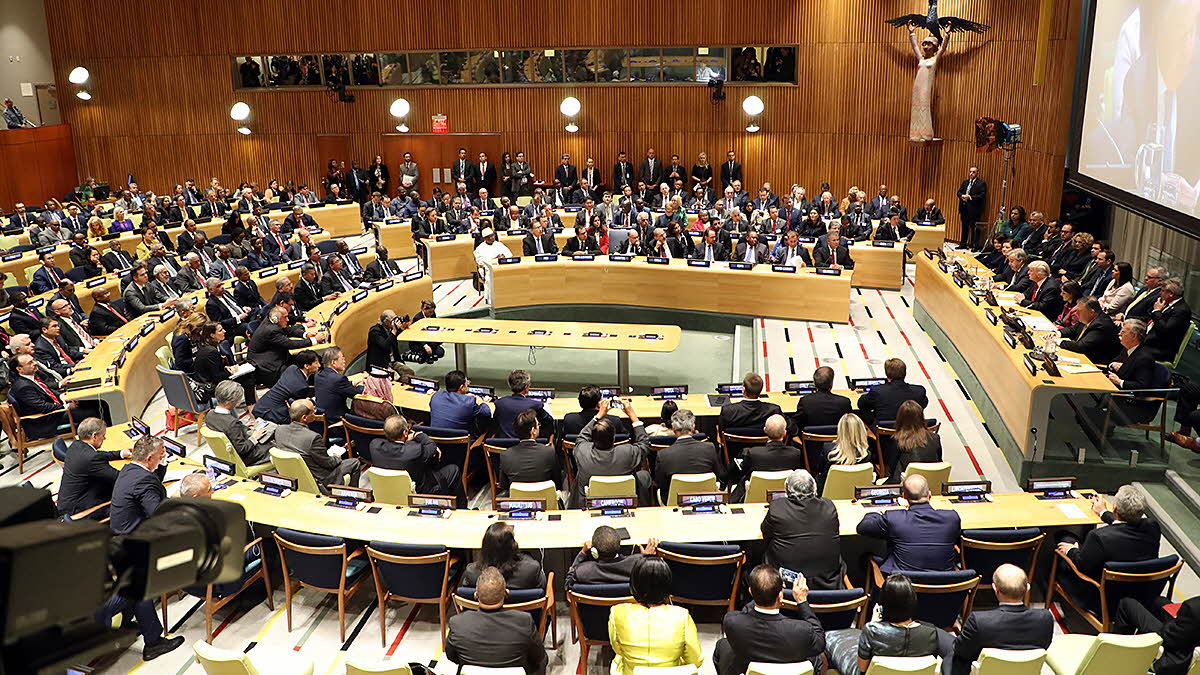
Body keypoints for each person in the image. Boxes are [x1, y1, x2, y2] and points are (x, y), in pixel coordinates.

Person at [97, 435, 186, 661]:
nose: (163, 456)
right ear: (148, 458)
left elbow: (150, 488)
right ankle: (154, 642)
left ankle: (134, 625)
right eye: (160, 455)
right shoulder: (143, 481)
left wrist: (162, 467)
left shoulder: (129, 470)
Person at [1054, 487, 1160, 612]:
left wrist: (1072, 550)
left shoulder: (1099, 537)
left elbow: (1081, 565)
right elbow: (1126, 525)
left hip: (1101, 599)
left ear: (1115, 508)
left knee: (1065, 538)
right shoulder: (1152, 527)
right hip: (1141, 595)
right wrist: (1103, 512)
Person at [714, 565, 826, 675]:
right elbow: (820, 642)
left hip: (746, 666)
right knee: (817, 658)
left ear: (750, 592)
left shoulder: (732, 621)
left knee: (722, 645)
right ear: (780, 596)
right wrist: (802, 601)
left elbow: (746, 611)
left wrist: (761, 594)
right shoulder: (801, 630)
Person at [826, 574, 943, 675]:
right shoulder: (930, 632)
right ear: (913, 601)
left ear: (884, 604)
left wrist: (873, 624)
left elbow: (862, 668)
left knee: (829, 639)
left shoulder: (872, 631)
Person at [947, 564, 1053, 675]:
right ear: (1027, 588)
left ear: (995, 589)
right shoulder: (1045, 619)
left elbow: (961, 651)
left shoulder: (979, 621)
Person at [608, 556, 702, 675]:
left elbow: (618, 650)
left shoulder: (617, 612)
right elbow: (696, 660)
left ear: (634, 585)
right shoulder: (681, 616)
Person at [445, 567, 547, 675]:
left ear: (476, 595)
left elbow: (452, 657)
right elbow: (538, 656)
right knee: (543, 660)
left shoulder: (457, 623)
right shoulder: (525, 621)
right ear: (506, 593)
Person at [760, 469, 846, 590]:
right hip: (827, 583)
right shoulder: (829, 507)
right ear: (815, 490)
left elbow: (765, 534)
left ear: (787, 491)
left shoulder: (777, 508)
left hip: (788, 585)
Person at [857, 474, 961, 573]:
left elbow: (863, 527)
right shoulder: (952, 518)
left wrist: (877, 513)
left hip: (905, 587)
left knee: (866, 559)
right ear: (929, 495)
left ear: (904, 496)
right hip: (945, 585)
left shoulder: (894, 518)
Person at [571, 397, 652, 508]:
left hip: (591, 503)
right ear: (613, 438)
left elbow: (581, 437)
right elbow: (644, 444)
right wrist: (632, 415)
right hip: (624, 501)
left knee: (578, 478)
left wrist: (598, 415)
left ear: (592, 438)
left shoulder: (583, 452)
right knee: (644, 475)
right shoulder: (627, 452)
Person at [370, 414, 465, 506]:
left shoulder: (374, 446)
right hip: (419, 493)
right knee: (453, 470)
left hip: (388, 491)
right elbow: (431, 446)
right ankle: (463, 510)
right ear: (404, 433)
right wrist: (417, 435)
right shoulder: (414, 451)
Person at [273, 399, 361, 490]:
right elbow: (328, 463)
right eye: (313, 412)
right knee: (354, 463)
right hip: (320, 478)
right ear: (304, 418)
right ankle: (353, 496)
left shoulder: (279, 430)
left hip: (292, 475)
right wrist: (336, 457)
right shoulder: (313, 437)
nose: (315, 414)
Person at [56, 418, 132, 519]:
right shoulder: (91, 459)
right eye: (103, 435)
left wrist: (121, 454)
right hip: (81, 512)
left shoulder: (76, 445)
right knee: (130, 491)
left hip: (68, 504)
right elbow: (120, 477)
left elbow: (98, 455)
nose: (104, 439)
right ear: (94, 436)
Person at [1112, 595, 1200, 675]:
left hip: (1174, 656)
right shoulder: (1193, 607)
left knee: (1127, 604)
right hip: (1190, 636)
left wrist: (1172, 623)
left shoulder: (1193, 607)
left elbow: (1168, 636)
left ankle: (1118, 658)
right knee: (1158, 602)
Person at [654, 409, 725, 505]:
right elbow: (719, 475)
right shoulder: (710, 448)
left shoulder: (663, 455)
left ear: (673, 428)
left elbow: (661, 484)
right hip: (705, 500)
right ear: (693, 427)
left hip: (675, 502)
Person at [246, 305, 321, 386]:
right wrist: (314, 340)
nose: (288, 320)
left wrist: (305, 334)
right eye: (285, 317)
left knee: (306, 359)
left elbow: (287, 330)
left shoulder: (271, 321)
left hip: (277, 356)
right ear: (275, 319)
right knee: (304, 365)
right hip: (268, 367)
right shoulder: (270, 330)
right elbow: (290, 344)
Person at [736, 415, 807, 496]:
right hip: (784, 499)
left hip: (755, 497)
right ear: (785, 433)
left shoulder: (753, 453)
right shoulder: (795, 453)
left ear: (765, 430)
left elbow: (743, 474)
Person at [461, 522, 546, 589]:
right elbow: (542, 587)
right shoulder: (531, 570)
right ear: (513, 546)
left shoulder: (471, 573)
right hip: (525, 611)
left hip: (486, 611)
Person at [205, 381, 272, 466]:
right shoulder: (232, 423)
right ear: (234, 401)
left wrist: (241, 427)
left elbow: (224, 428)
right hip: (245, 457)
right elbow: (242, 449)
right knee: (273, 446)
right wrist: (254, 437)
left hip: (225, 453)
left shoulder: (209, 414)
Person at [498, 409, 561, 493]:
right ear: (533, 431)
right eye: (538, 425)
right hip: (546, 502)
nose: (539, 426)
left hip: (517, 503)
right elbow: (557, 482)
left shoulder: (505, 455)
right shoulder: (550, 452)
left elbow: (504, 485)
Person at [251, 351, 320, 424]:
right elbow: (299, 407)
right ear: (307, 366)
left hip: (262, 403)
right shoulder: (301, 386)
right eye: (316, 363)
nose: (319, 365)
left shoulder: (292, 368)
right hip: (271, 411)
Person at [857, 358, 928, 424]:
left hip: (884, 434)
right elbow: (923, 405)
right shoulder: (919, 391)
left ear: (887, 374)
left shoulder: (877, 391)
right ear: (905, 373)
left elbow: (861, 404)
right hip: (912, 432)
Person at [888, 400, 943, 482]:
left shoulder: (897, 440)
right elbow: (939, 463)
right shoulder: (935, 438)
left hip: (906, 486)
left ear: (900, 418)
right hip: (931, 484)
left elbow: (892, 469)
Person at [1058, 296, 1122, 365]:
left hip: (1095, 363)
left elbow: (1081, 346)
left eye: (1080, 311)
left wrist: (1058, 341)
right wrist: (1057, 333)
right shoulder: (1087, 317)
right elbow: (1072, 329)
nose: (1076, 313)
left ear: (1091, 312)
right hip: (1081, 357)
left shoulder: (1101, 325)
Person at [493, 369, 555, 438]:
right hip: (527, 447)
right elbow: (549, 421)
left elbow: (495, 423)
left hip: (502, 447)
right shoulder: (535, 405)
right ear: (526, 387)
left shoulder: (500, 403)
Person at [429, 369, 492, 436]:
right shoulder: (469, 402)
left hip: (435, 443)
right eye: (466, 383)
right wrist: (480, 401)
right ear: (461, 387)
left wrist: (463, 397)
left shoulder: (436, 396)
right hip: (461, 445)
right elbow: (487, 412)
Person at [794, 366, 854, 433]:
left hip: (811, 442)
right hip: (839, 441)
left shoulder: (805, 402)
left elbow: (796, 423)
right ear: (831, 383)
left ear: (815, 383)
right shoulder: (844, 402)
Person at [1106, 319, 1160, 391]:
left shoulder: (1145, 357)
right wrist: (1113, 364)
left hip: (1126, 396)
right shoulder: (1127, 348)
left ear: (1134, 336)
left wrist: (1120, 382)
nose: (1119, 334)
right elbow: (1113, 361)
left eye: (1123, 332)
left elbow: (1142, 386)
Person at [313, 346, 362, 424]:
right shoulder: (339, 379)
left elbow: (335, 386)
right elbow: (357, 393)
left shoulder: (318, 375)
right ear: (334, 362)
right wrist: (362, 384)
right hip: (336, 422)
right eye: (342, 358)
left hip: (322, 420)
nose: (344, 361)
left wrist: (352, 383)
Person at [1146, 279, 1192, 361]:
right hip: (1151, 340)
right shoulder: (1166, 303)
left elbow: (1164, 331)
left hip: (1160, 349)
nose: (1160, 293)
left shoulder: (1181, 311)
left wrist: (1157, 311)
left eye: (1163, 291)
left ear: (1171, 293)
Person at [719, 372, 783, 432]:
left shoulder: (727, 411)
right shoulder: (774, 411)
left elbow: (721, 431)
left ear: (743, 390)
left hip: (733, 444)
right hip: (763, 444)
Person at [957, 167, 987, 246]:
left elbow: (982, 195)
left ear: (977, 173)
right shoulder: (965, 182)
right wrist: (962, 195)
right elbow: (959, 192)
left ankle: (974, 245)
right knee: (964, 227)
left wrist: (970, 197)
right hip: (964, 208)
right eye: (970, 172)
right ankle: (963, 243)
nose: (971, 173)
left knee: (974, 228)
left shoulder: (981, 183)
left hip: (974, 209)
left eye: (973, 172)